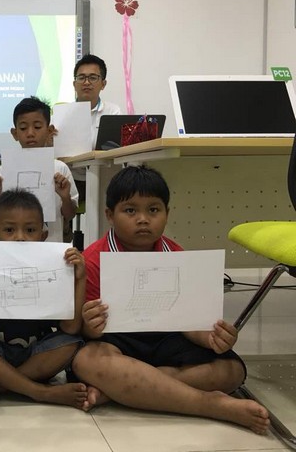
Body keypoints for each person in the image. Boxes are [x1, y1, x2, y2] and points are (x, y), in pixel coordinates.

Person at [70, 165, 270, 434]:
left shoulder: (178, 256)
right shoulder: (92, 260)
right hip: (118, 342)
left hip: (168, 339)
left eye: (153, 210)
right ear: (110, 215)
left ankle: (123, 389)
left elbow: (190, 322)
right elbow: (82, 331)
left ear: (167, 213)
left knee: (231, 370)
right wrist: (90, 326)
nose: (143, 219)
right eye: (130, 211)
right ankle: (209, 404)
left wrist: (212, 338)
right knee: (86, 361)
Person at [0, 189, 87, 409]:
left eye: (30, 230)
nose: (20, 237)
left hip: (36, 356)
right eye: (9, 230)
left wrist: (80, 279)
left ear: (43, 236)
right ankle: (40, 392)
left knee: (72, 343)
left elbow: (71, 328)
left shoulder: (54, 265)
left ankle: (0, 386)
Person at [0, 97, 79, 243]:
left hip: (51, 243)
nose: (30, 133)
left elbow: (70, 215)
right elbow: (0, 215)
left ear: (49, 130)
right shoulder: (5, 169)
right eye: (23, 128)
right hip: (14, 245)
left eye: (37, 127)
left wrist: (65, 197)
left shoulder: (60, 168)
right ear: (15, 133)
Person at [73, 54, 121, 148]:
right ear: (74, 84)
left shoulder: (113, 112)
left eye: (93, 78)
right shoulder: (62, 116)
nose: (86, 82)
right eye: (81, 78)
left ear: (103, 84)